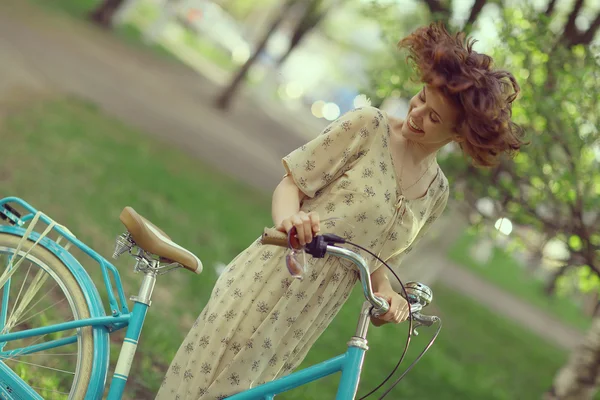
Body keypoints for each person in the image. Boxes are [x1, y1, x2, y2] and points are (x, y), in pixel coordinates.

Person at [156, 21, 525, 400]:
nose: (417, 114)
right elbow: (291, 185)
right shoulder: (368, 127)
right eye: (420, 99)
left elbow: (378, 258)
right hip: (276, 272)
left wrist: (387, 298)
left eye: (434, 118)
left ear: (458, 135)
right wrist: (290, 222)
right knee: (205, 384)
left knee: (250, 394)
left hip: (312, 311)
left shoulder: (436, 192)